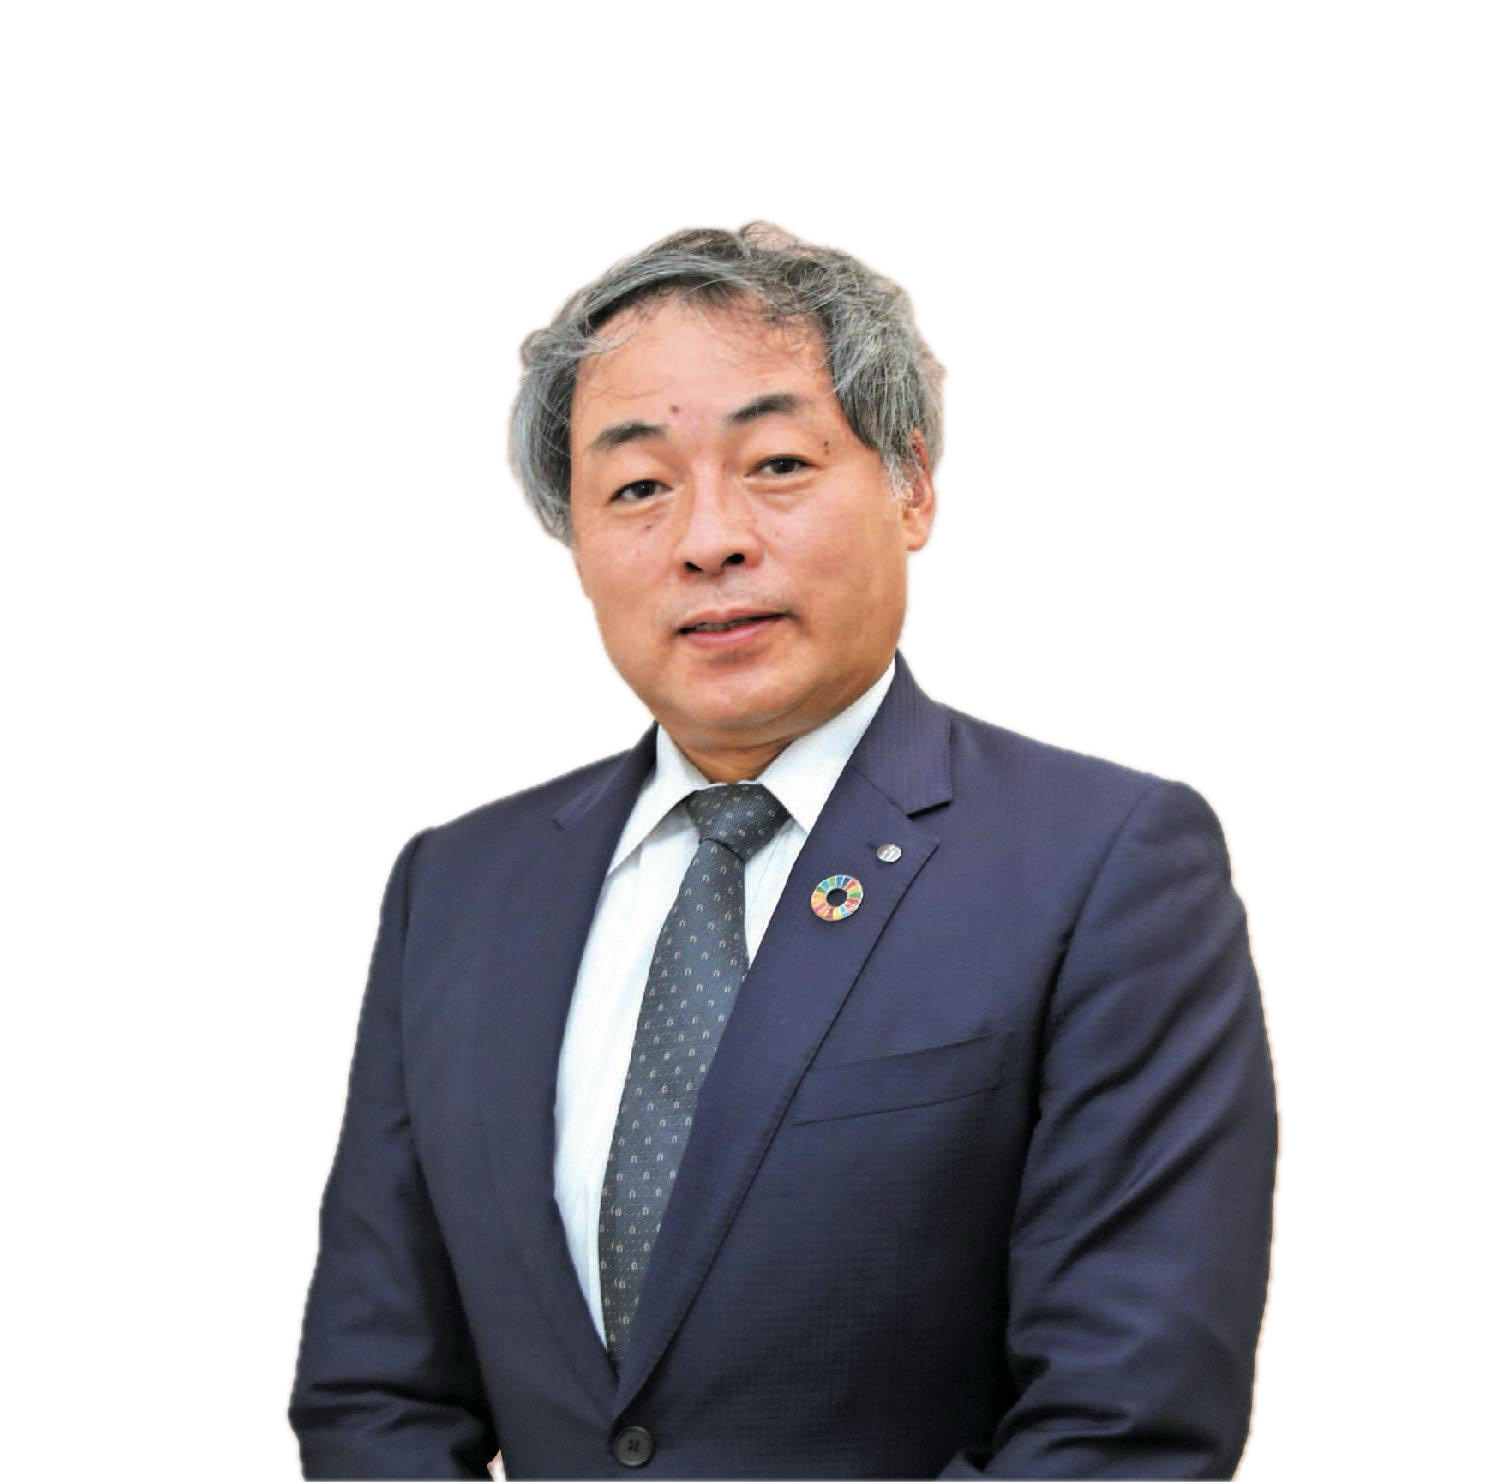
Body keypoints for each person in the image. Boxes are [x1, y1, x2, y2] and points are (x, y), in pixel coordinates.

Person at [286, 217, 1279, 1481]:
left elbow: (1124, 1424)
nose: (709, 539)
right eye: (637, 487)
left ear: (912, 486)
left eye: (775, 463)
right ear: (571, 540)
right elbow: (372, 1393)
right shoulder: (458, 883)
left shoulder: (1110, 861)